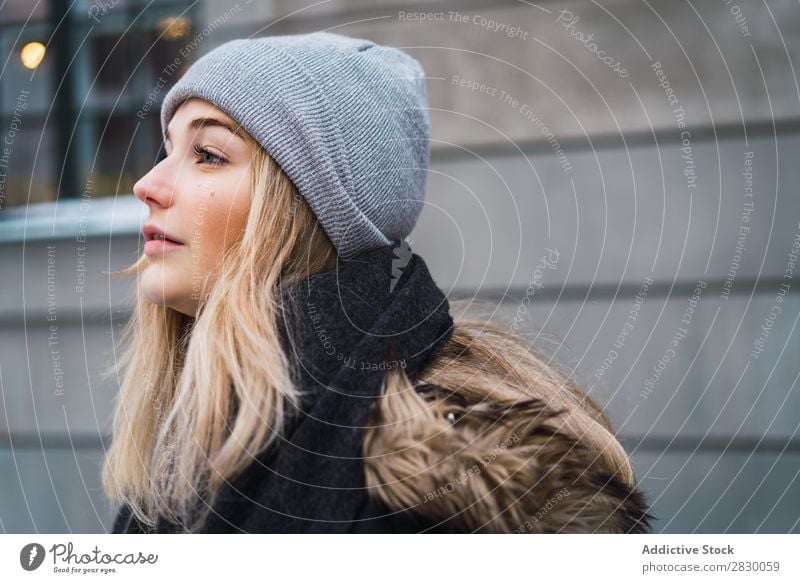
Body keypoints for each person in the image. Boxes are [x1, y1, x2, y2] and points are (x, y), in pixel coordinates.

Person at [102, 31, 653, 534]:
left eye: (208, 155)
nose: (147, 184)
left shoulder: (436, 496)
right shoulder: (186, 448)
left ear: (306, 209)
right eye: (166, 150)